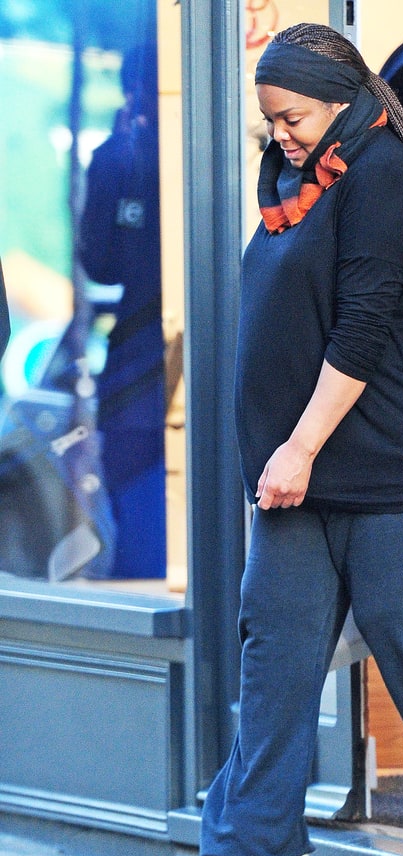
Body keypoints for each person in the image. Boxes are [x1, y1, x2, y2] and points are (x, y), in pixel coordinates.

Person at [183, 23, 403, 856]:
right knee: (273, 642)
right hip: (296, 477)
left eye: (292, 117)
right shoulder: (298, 178)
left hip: (390, 470)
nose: (281, 135)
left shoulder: (382, 178)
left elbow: (361, 332)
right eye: (270, 120)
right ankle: (253, 831)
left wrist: (298, 446)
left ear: (340, 101)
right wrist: (287, 454)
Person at [79, 43, 166, 578]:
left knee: (133, 510)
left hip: (137, 360)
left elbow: (100, 263)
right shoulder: (218, 152)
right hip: (162, 352)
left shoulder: (120, 158)